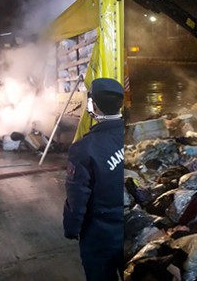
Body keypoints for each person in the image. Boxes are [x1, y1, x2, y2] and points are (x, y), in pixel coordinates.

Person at [63, 78, 124, 281]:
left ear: (93, 105)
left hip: (100, 235)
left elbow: (77, 197)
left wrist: (72, 229)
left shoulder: (84, 149)